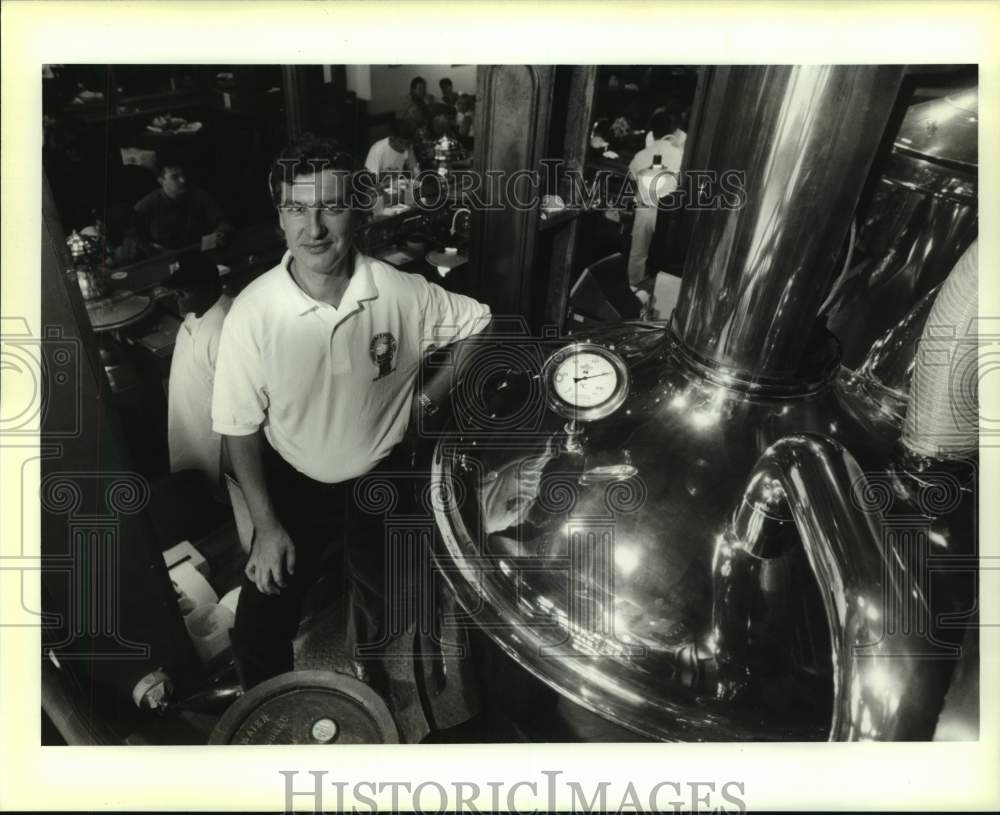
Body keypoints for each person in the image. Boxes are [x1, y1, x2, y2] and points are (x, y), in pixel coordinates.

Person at [211, 134, 491, 690]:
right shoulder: (254, 311)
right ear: (280, 218)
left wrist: (425, 399)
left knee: (388, 608)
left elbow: (480, 323)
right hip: (293, 486)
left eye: (331, 207)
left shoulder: (398, 291)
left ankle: (376, 691)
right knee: (256, 636)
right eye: (297, 208)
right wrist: (266, 526)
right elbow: (238, 430)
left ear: (358, 212)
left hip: (380, 480)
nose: (313, 228)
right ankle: (269, 734)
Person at [165, 252, 233, 491]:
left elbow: (235, 403)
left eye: (185, 290)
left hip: (218, 440)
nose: (177, 296)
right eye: (177, 289)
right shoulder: (195, 313)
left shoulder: (225, 326)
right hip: (190, 425)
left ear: (209, 286)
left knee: (226, 492)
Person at [626, 111, 684, 290]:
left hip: (645, 209)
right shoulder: (680, 155)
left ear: (652, 130)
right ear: (672, 130)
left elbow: (632, 178)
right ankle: (658, 297)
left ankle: (633, 290)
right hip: (670, 213)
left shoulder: (641, 155)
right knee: (664, 259)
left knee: (638, 254)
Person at [133, 158, 231, 253]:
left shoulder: (199, 196)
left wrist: (220, 234)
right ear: (161, 181)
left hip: (200, 254)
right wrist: (150, 248)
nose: (183, 180)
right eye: (174, 177)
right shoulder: (145, 206)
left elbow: (222, 223)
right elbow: (132, 238)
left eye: (183, 174)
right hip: (165, 259)